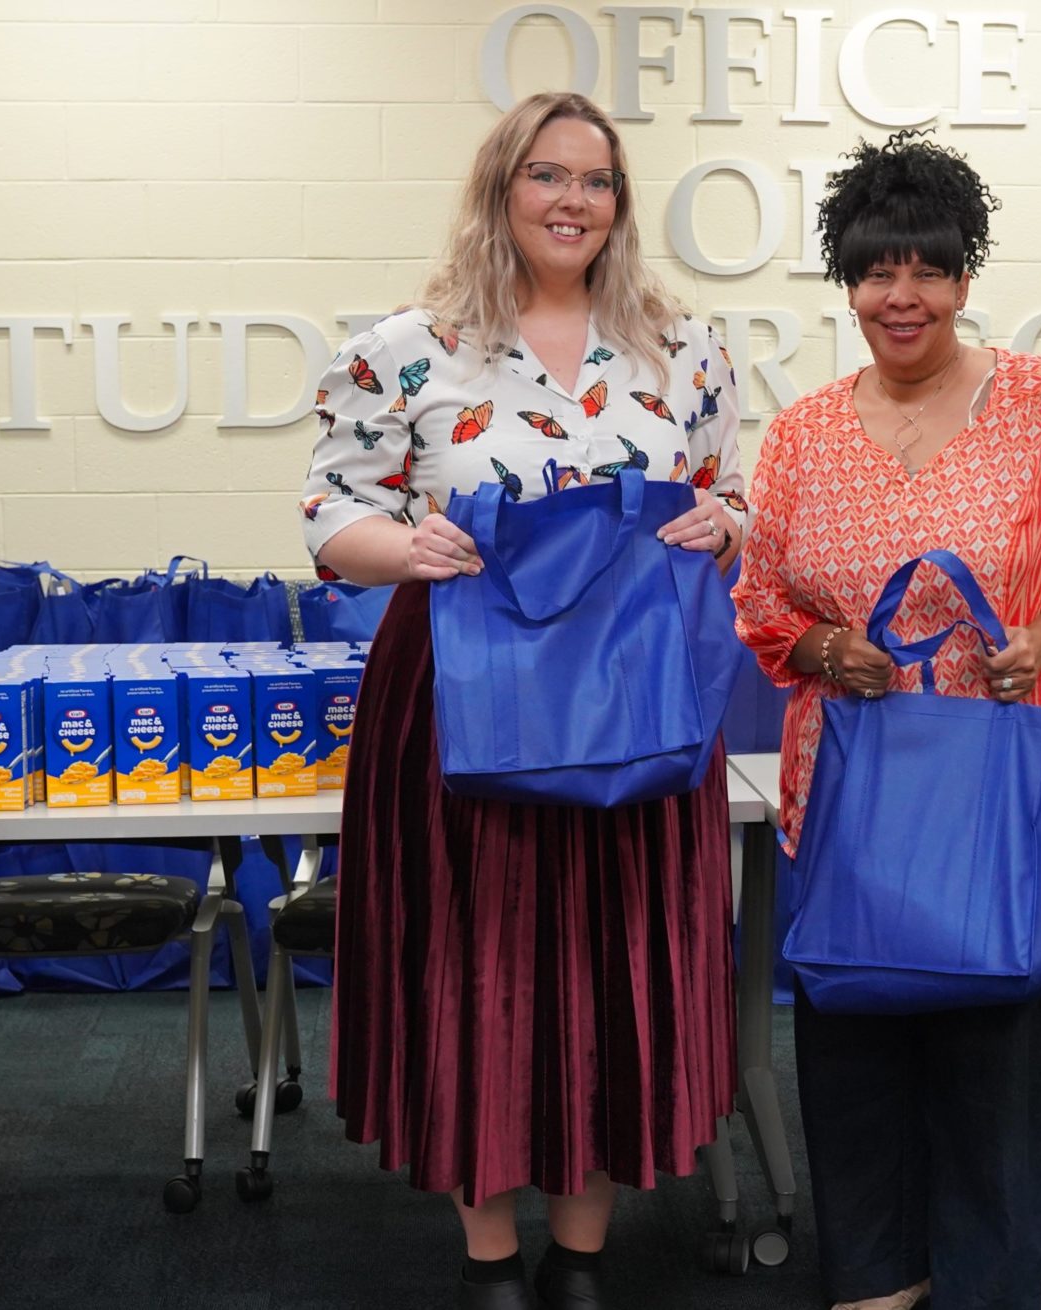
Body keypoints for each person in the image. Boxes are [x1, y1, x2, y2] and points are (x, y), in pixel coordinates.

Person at [298, 91, 749, 1310]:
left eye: (596, 181)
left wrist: (722, 524)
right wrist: (412, 550)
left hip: (634, 702)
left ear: (620, 203)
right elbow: (330, 518)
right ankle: (489, 1255)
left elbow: (734, 501)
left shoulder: (684, 346)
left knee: (615, 960)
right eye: (546, 176)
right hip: (461, 699)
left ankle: (584, 1251)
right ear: (503, 189)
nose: (572, 200)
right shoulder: (406, 347)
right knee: (476, 964)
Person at [731, 131, 1041, 1310]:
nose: (899, 295)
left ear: (966, 278)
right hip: (853, 790)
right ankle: (874, 1277)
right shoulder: (804, 431)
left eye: (926, 269)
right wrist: (821, 647)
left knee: (995, 1065)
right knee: (854, 1045)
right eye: (876, 271)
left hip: (1000, 787)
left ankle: (983, 1283)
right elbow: (762, 597)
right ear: (847, 284)